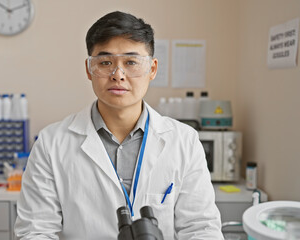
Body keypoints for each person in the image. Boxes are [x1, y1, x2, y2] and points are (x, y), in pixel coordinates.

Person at [14, 11, 223, 240]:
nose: (118, 75)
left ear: (152, 69)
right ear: (89, 69)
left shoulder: (184, 141)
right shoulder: (51, 143)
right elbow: (36, 231)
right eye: (105, 62)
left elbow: (201, 229)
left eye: (131, 62)